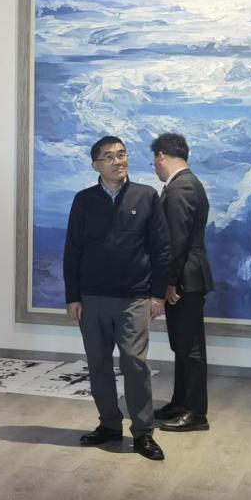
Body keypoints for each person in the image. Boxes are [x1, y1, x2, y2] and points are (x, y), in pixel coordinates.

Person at [64, 135, 170, 461]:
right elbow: (73, 251)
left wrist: (157, 295)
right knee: (98, 364)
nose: (117, 161)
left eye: (121, 154)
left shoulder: (146, 196)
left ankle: (143, 433)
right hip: (92, 298)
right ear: (95, 164)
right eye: (109, 156)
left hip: (134, 297)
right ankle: (109, 425)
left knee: (135, 365)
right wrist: (73, 297)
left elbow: (161, 250)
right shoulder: (84, 200)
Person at [151, 133, 214, 432]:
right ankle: (180, 403)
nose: (154, 166)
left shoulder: (181, 187)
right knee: (182, 345)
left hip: (185, 279)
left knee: (190, 347)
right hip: (188, 277)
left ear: (161, 156)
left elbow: (177, 242)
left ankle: (195, 413)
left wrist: (170, 283)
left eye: (154, 160)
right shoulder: (185, 184)